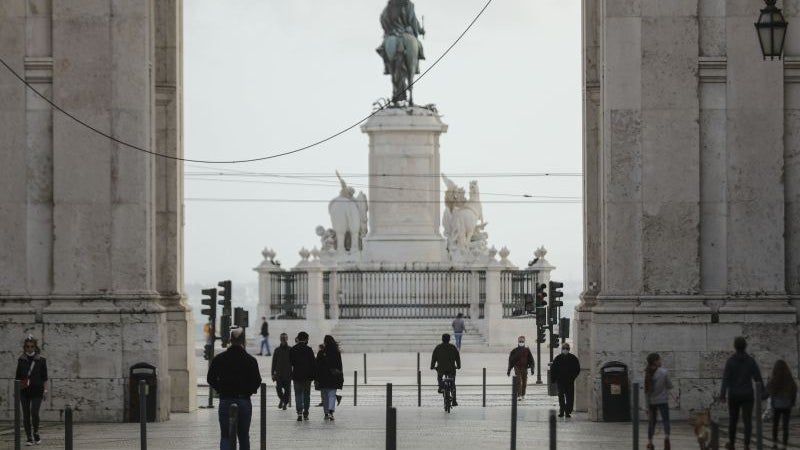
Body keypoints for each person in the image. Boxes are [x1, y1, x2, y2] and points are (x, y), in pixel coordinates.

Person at [207, 327, 262, 450]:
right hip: (244, 400)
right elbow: (257, 381)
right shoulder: (250, 360)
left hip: (225, 399)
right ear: (244, 341)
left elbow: (210, 378)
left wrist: (220, 389)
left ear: (230, 340)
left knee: (226, 436)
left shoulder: (219, 358)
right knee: (243, 436)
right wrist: (249, 391)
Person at [720, 336, 764, 450]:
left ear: (735, 346)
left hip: (734, 394)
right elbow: (757, 377)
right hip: (747, 394)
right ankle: (746, 445)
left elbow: (726, 378)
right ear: (745, 346)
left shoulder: (730, 361)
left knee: (733, 420)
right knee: (747, 420)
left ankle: (732, 443)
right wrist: (763, 392)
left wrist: (722, 394)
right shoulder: (750, 361)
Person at [15, 335, 48, 446]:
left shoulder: (41, 360)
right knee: (26, 414)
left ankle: (36, 433)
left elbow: (44, 377)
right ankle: (29, 437)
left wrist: (45, 390)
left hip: (37, 390)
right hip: (24, 391)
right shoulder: (21, 360)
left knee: (34, 413)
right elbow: (18, 377)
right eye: (27, 346)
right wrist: (17, 389)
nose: (30, 348)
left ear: (35, 347)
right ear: (25, 347)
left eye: (32, 346)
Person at [643, 353, 672, 450]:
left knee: (652, 423)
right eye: (659, 360)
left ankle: (650, 443)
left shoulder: (647, 373)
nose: (661, 361)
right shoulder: (664, 372)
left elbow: (646, 392)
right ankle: (667, 437)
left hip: (651, 402)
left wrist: (647, 407)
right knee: (666, 420)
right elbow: (669, 385)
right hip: (663, 400)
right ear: (655, 361)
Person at [766, 359, 797, 449]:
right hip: (787, 404)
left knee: (775, 424)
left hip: (776, 404)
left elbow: (769, 389)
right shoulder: (789, 378)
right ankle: (784, 445)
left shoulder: (774, 378)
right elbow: (794, 390)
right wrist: (792, 401)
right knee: (785, 426)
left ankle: (775, 443)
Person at [316, 335, 344, 421]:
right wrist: (341, 377)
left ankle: (326, 413)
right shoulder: (336, 352)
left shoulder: (321, 352)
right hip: (333, 377)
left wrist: (316, 378)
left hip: (323, 378)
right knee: (331, 395)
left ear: (325, 342)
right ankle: (331, 412)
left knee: (324, 396)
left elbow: (317, 366)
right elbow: (339, 366)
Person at [290, 331, 316, 421]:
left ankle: (299, 413)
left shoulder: (293, 349)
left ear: (298, 338)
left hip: (297, 375)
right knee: (306, 395)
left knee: (298, 394)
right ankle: (306, 413)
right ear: (306, 339)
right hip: (307, 376)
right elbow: (313, 363)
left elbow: (291, 362)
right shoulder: (309, 349)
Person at [551, 342, 581, 418]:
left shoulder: (573, 358)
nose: (565, 350)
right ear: (561, 349)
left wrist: (573, 377)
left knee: (569, 397)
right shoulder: (558, 358)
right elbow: (553, 369)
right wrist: (554, 379)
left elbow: (577, 369)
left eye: (566, 349)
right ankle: (562, 411)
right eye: (564, 348)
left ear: (569, 349)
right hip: (560, 381)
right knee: (561, 396)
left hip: (569, 381)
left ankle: (567, 411)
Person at [431, 333, 461, 406]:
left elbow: (434, 358)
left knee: (439, 377)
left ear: (442, 339)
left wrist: (432, 366)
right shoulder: (453, 347)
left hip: (441, 368)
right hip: (451, 368)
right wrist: (458, 366)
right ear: (449, 339)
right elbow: (457, 357)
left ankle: (441, 386)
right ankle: (454, 400)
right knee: (452, 382)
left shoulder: (438, 347)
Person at [506, 336, 534, 401]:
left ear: (524, 342)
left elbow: (531, 360)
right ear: (518, 342)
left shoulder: (527, 350)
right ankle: (519, 395)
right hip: (517, 367)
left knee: (524, 382)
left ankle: (523, 394)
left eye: (522, 341)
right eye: (520, 341)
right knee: (519, 381)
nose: (521, 342)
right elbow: (511, 361)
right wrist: (509, 370)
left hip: (524, 367)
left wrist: (532, 369)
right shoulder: (514, 351)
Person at [271, 333, 291, 410]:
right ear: (280, 339)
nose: (283, 339)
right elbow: (274, 363)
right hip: (279, 374)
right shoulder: (277, 350)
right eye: (282, 338)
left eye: (285, 338)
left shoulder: (290, 349)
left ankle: (285, 403)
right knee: (279, 389)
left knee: (287, 390)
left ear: (287, 339)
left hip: (288, 373)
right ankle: (282, 399)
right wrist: (272, 374)